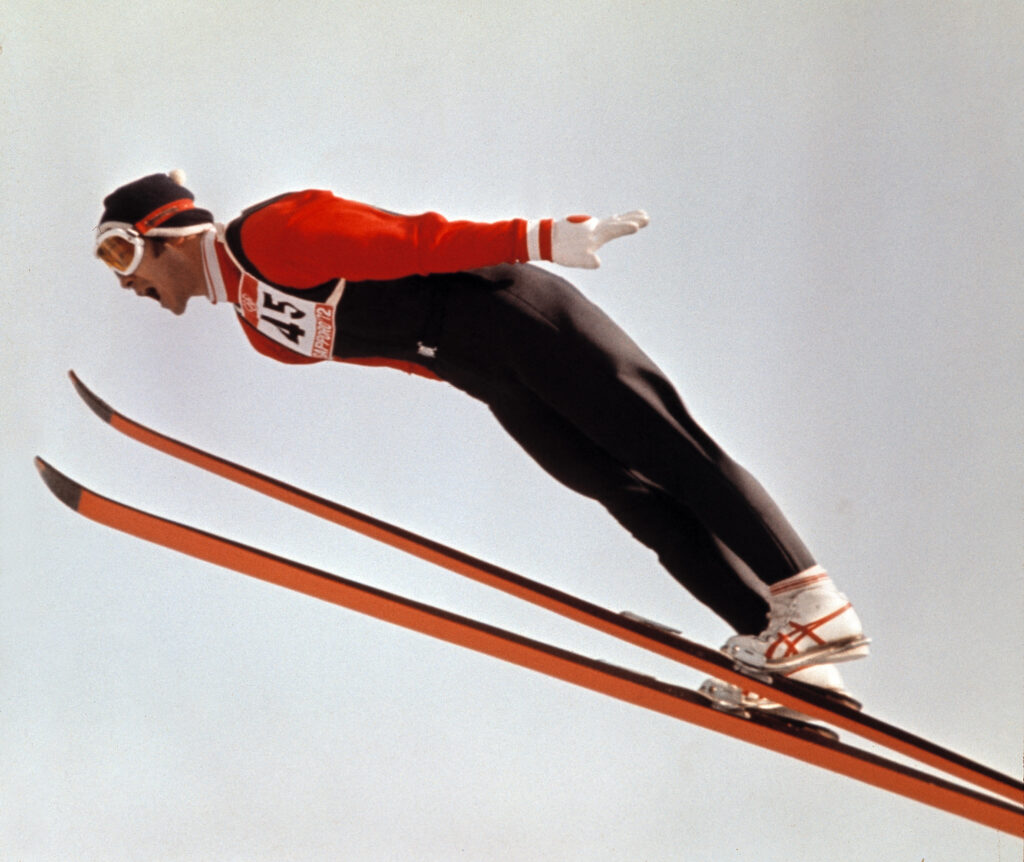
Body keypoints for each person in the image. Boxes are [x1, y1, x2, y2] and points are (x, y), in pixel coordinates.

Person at [94, 170, 869, 715]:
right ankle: (780, 658)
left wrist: (541, 238)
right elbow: (395, 352)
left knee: (669, 451)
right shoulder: (263, 329)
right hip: (488, 371)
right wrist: (492, 387)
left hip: (516, 316)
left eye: (121, 256)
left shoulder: (272, 232)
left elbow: (412, 241)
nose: (124, 282)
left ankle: (811, 601)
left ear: (162, 235)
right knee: (628, 498)